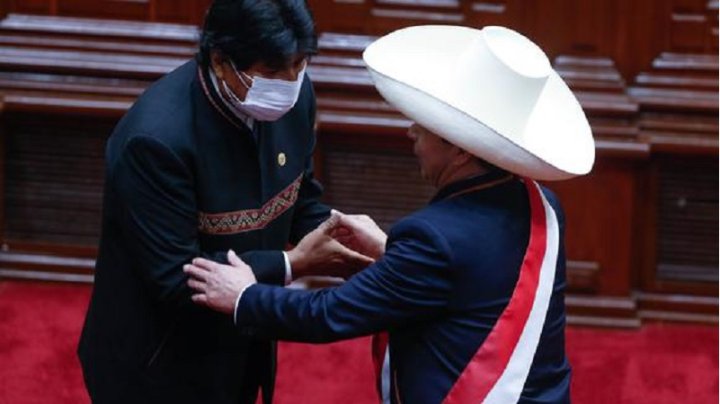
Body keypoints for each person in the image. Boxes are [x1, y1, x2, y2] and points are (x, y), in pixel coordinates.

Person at [184, 25, 596, 403]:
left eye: (424, 123)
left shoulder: (433, 238)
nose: (411, 131)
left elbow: (330, 314)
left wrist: (244, 296)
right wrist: (393, 256)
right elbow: (479, 282)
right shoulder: (542, 202)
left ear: (461, 149)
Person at [77, 1, 370, 403]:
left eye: (300, 65)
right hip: (160, 365)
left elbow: (297, 196)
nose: (289, 82)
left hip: (243, 335)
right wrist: (293, 264)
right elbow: (175, 279)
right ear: (220, 61)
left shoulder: (295, 97)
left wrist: (345, 236)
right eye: (271, 72)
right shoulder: (155, 141)